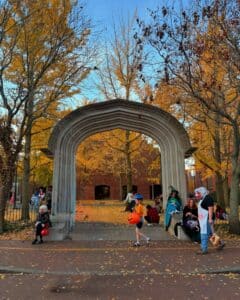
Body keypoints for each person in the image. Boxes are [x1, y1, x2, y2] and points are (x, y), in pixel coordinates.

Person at [194, 186, 225, 255]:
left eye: (198, 193)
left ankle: (204, 249)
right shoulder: (204, 198)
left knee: (204, 233)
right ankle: (221, 243)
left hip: (207, 219)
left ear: (202, 192)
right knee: (210, 233)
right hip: (204, 219)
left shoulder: (208, 198)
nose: (197, 195)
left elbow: (210, 208)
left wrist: (210, 219)